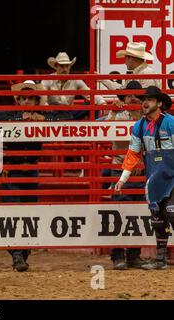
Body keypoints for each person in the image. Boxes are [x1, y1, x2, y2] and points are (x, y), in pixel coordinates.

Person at [0, 80, 48, 272]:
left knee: (29, 211)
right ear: (19, 100)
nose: (28, 101)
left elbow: (66, 116)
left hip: (31, 168)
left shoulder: (43, 117)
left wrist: (43, 117)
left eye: (31, 98)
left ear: (36, 101)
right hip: (13, 169)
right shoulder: (8, 116)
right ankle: (17, 254)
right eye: (24, 98)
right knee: (12, 210)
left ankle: (23, 253)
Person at [115, 86, 174, 270]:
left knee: (172, 212)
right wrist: (123, 178)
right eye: (144, 99)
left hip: (172, 176)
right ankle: (160, 258)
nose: (145, 103)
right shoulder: (139, 126)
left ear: (159, 103)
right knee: (157, 216)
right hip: (155, 179)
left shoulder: (171, 123)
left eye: (150, 99)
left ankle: (161, 258)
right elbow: (133, 153)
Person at [107, 81, 146, 270]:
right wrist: (114, 112)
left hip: (141, 171)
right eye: (129, 94)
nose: (133, 98)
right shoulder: (118, 114)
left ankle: (133, 254)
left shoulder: (147, 117)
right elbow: (107, 133)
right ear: (125, 97)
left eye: (136, 94)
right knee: (120, 212)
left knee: (139, 213)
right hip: (121, 169)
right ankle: (117, 255)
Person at [41, 52, 107, 120]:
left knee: (93, 102)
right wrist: (47, 109)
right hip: (53, 113)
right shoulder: (48, 80)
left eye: (67, 66)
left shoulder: (75, 80)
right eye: (62, 66)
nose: (65, 69)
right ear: (56, 66)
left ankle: (94, 126)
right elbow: (42, 97)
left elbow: (90, 94)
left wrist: (103, 103)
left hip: (70, 113)